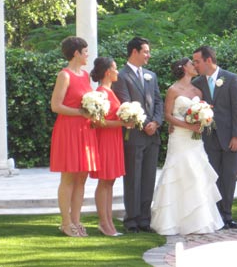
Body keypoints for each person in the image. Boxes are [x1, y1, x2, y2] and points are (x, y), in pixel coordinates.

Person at [151, 58, 224, 235]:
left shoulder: (198, 90)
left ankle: (199, 220)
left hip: (195, 139)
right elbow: (168, 116)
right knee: (179, 171)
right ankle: (173, 220)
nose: (195, 66)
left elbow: (203, 111)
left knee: (196, 173)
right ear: (184, 68)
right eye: (192, 64)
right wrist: (187, 126)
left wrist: (204, 120)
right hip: (180, 137)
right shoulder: (173, 90)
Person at [112, 37, 164, 233]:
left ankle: (144, 218)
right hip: (134, 135)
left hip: (153, 135)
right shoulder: (122, 76)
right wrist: (144, 125)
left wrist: (156, 122)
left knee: (149, 178)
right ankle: (131, 219)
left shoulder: (151, 75)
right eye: (145, 52)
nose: (148, 55)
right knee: (133, 178)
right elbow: (125, 104)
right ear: (134, 52)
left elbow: (158, 101)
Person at [50, 36, 99, 237]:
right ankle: (65, 222)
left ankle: (77, 220)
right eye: (85, 51)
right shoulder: (65, 75)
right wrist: (81, 112)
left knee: (82, 178)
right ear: (76, 53)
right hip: (68, 129)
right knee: (68, 177)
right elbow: (56, 106)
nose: (88, 54)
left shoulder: (86, 75)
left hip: (85, 130)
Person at [192, 46, 237, 229]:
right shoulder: (197, 83)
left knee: (229, 176)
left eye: (197, 61)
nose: (195, 65)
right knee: (211, 176)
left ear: (208, 60)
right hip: (207, 137)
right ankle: (213, 215)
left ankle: (227, 215)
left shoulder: (231, 79)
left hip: (230, 136)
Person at [90, 57, 131, 236]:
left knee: (110, 181)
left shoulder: (111, 91)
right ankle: (104, 222)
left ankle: (108, 222)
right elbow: (98, 122)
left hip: (114, 139)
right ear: (107, 72)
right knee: (104, 181)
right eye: (115, 68)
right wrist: (122, 123)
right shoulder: (100, 93)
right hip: (105, 139)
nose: (117, 71)